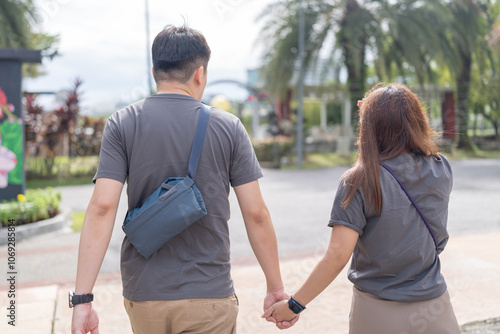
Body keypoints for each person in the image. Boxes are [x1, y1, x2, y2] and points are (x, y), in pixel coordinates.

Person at [71, 25, 295, 334]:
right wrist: (275, 286)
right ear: (200, 74)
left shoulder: (122, 123)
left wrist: (82, 300)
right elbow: (256, 214)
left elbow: (101, 208)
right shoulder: (229, 127)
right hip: (209, 293)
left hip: (144, 294)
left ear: (155, 71)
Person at [263, 83, 461, 334]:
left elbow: (337, 256)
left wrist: (294, 305)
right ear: (418, 120)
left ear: (368, 126)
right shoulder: (441, 167)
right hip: (435, 308)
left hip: (377, 313)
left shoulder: (359, 180)